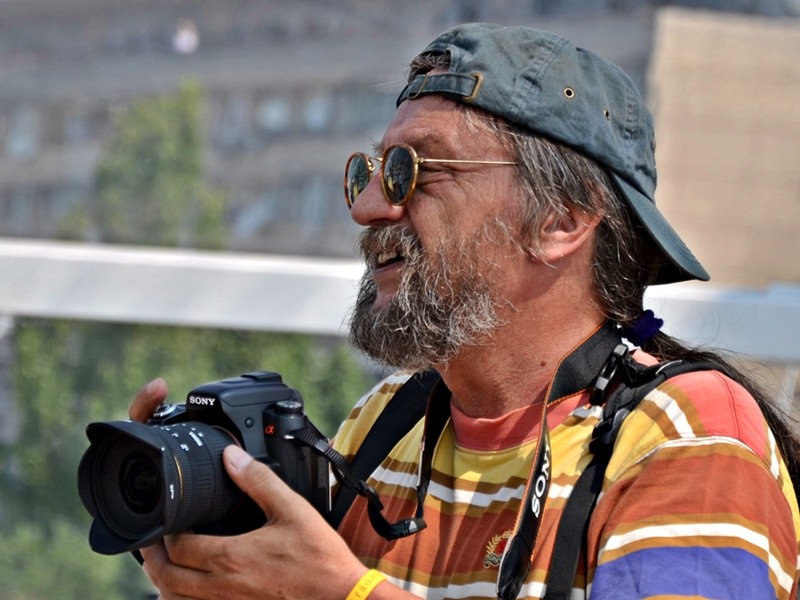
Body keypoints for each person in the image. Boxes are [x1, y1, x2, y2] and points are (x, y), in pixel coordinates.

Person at [129, 23, 800, 600]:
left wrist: (340, 592)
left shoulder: (688, 436)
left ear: (562, 219)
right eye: (371, 172)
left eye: (415, 171)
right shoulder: (387, 421)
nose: (370, 208)